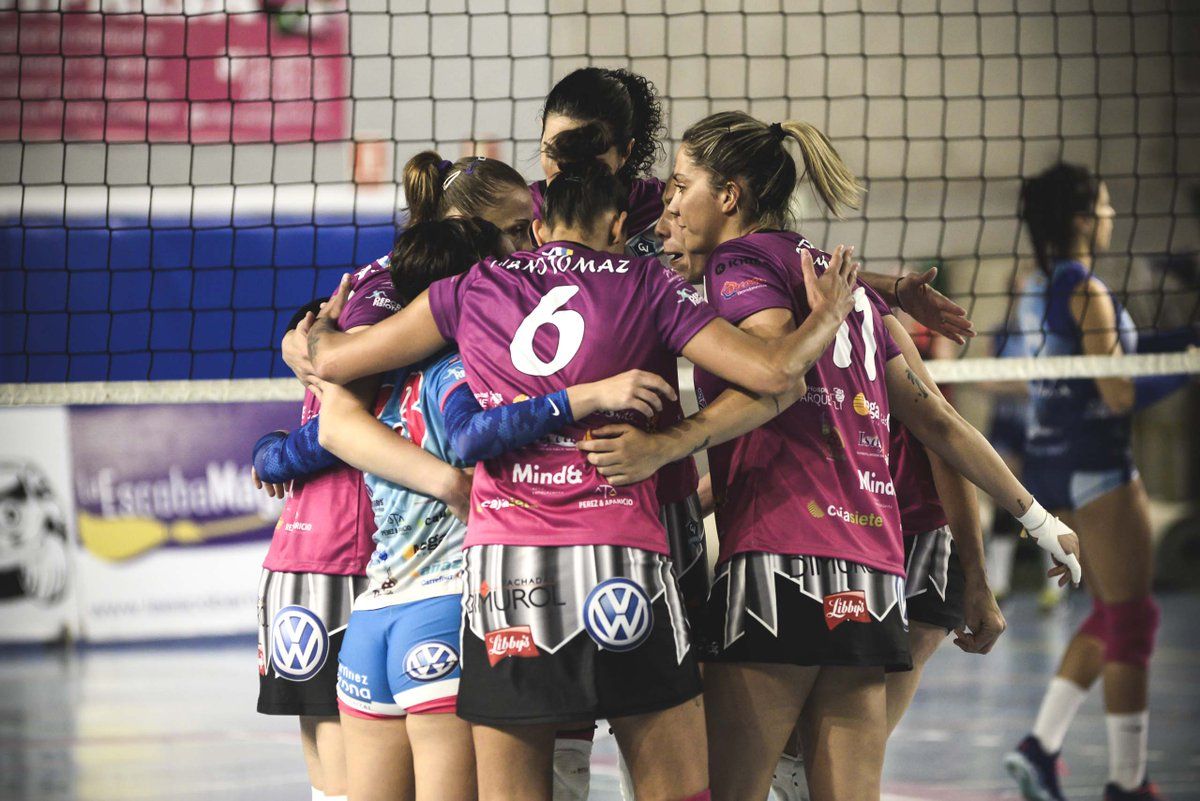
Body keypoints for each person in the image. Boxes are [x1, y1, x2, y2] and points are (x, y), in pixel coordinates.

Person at [288, 133, 867, 799]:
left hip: (506, 573)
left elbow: (332, 363)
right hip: (618, 555)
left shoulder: (471, 286)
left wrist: (314, 332)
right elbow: (774, 372)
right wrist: (826, 316)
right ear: (619, 228)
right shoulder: (647, 281)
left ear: (538, 228)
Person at [574, 111, 1081, 801]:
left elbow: (778, 375)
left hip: (780, 564)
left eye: (683, 187)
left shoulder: (737, 264)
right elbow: (938, 421)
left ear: (729, 195)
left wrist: (666, 445)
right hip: (871, 571)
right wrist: (1041, 521)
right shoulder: (849, 290)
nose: (671, 205)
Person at [1004, 163, 1193, 801]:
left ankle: (1040, 747)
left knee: (1111, 614)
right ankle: (1127, 782)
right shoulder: (1086, 290)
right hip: (1099, 465)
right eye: (1106, 207)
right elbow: (1117, 394)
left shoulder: (1038, 286)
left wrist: (1179, 342)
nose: (1112, 216)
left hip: (1054, 467)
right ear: (1083, 219)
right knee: (1134, 621)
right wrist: (1186, 367)